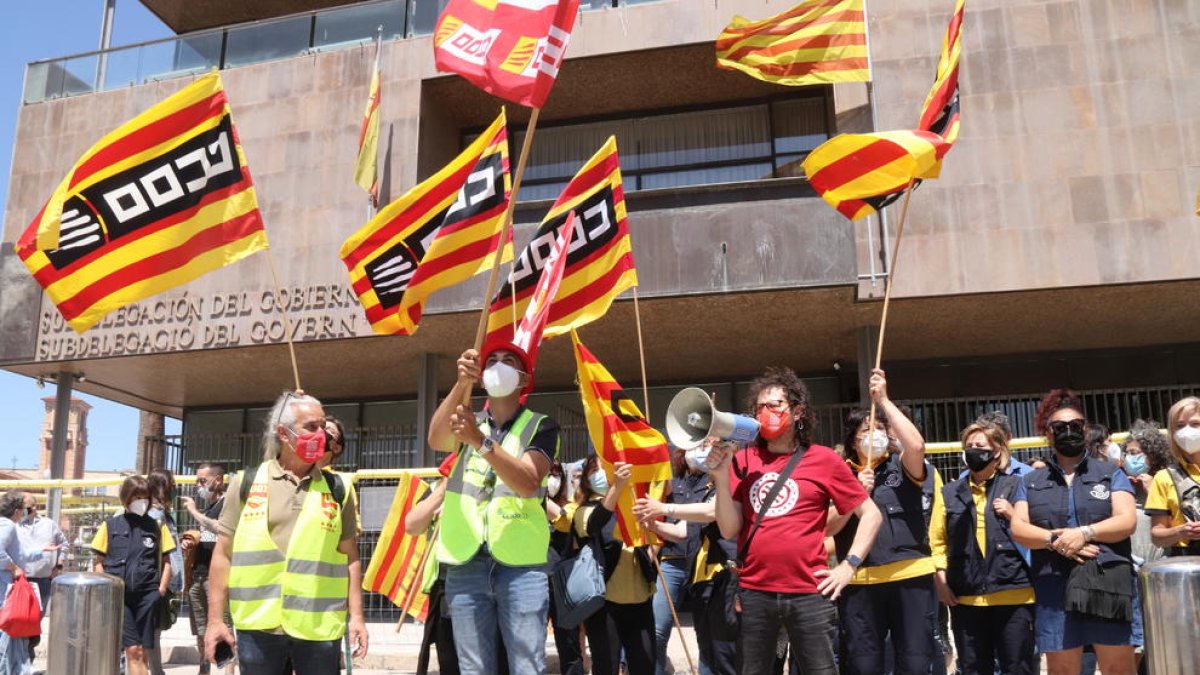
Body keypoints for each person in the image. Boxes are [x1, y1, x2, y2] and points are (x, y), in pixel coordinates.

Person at [709, 366, 882, 675]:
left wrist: (848, 566)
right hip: (755, 593)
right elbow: (728, 528)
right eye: (759, 407)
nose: (765, 413)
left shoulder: (824, 459)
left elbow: (871, 514)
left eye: (774, 405)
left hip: (810, 593)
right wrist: (721, 478)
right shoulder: (742, 460)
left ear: (798, 411)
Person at [204, 392, 368, 675]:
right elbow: (223, 555)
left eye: (324, 427)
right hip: (258, 628)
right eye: (312, 427)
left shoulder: (339, 488)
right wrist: (216, 621)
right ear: (284, 433)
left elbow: (351, 558)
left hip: (319, 630)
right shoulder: (246, 483)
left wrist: (357, 617)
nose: (322, 435)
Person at [427, 342, 560, 675]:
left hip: (521, 566)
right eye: (492, 362)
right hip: (466, 561)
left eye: (508, 361)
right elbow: (435, 439)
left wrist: (480, 442)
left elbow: (529, 482)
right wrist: (461, 384)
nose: (498, 365)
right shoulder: (467, 421)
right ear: (482, 378)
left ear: (524, 378)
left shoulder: (542, 426)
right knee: (473, 668)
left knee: (527, 666)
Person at [1009, 389, 1140, 675]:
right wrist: (1056, 540)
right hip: (1055, 585)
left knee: (1119, 669)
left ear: (1084, 429)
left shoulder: (1110, 473)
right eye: (1060, 427)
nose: (1068, 431)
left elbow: (1127, 520)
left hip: (1109, 584)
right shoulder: (1029, 481)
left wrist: (1084, 532)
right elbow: (1018, 527)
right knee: (1062, 671)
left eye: (1075, 426)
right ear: (1048, 434)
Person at [827, 369, 941, 675]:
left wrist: (885, 400)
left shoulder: (902, 465)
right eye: (866, 429)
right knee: (863, 666)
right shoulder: (838, 476)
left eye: (880, 428)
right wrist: (853, 497)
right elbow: (826, 528)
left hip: (910, 576)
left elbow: (916, 446)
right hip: (860, 582)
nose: (875, 433)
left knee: (916, 663)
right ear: (852, 441)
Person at [930, 423, 1036, 675]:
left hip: (1015, 594)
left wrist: (1013, 516)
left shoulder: (1019, 486)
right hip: (967, 598)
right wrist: (940, 579)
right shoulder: (948, 492)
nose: (973, 451)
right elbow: (936, 540)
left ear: (997, 451)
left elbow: (1037, 532)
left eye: (980, 446)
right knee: (973, 669)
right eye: (969, 447)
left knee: (1018, 667)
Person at [634, 441, 735, 675]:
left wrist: (663, 509)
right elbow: (681, 531)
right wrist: (653, 523)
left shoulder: (722, 484)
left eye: (711, 445)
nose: (704, 451)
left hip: (718, 572)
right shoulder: (684, 483)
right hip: (687, 568)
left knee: (717, 644)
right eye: (701, 444)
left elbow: (710, 513)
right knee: (678, 635)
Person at [574, 459, 656, 675]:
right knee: (606, 667)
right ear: (586, 479)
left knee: (645, 665)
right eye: (594, 470)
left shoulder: (631, 504)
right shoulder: (584, 510)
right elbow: (594, 525)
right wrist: (617, 487)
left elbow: (651, 537)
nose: (600, 474)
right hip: (605, 604)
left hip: (640, 599)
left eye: (605, 468)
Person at [92, 476, 176, 675]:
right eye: (137, 496)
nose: (142, 501)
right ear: (126, 498)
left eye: (145, 497)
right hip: (121, 598)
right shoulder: (110, 525)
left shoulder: (156, 526)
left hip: (148, 596)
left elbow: (167, 563)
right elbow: (98, 563)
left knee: (143, 652)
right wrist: (108, 591)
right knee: (133, 650)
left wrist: (161, 590)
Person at [181, 463, 231, 675]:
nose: (199, 486)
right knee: (200, 630)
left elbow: (219, 529)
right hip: (199, 575)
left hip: (217, 578)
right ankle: (204, 670)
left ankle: (229, 670)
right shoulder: (208, 508)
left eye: (203, 481)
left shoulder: (227, 503)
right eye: (197, 481)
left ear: (217, 480)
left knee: (225, 628)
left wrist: (193, 511)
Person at [1, 492, 54, 675]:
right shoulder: (7, 526)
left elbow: (20, 553)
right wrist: (14, 568)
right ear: (16, 511)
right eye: (24, 510)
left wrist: (41, 550)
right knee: (9, 636)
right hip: (5, 591)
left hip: (5, 590)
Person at [1147, 396, 1200, 556]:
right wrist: (1182, 531)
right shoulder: (1164, 477)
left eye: (1195, 424)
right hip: (1186, 561)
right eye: (1180, 426)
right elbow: (1157, 536)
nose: (1187, 431)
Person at [545, 461, 584, 675]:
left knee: (569, 643)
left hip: (563, 580)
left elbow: (566, 518)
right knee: (527, 643)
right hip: (532, 579)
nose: (552, 479)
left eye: (556, 474)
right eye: (548, 474)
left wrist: (539, 498)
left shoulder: (571, 504)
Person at [16, 493, 66, 657]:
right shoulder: (13, 525)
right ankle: (22, 659)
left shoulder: (49, 525)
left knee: (36, 620)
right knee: (19, 621)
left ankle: (26, 656)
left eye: (25, 507)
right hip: (18, 581)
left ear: (35, 507)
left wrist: (59, 564)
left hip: (43, 581)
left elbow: (63, 544)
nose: (21, 510)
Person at [147, 468, 184, 675]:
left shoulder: (165, 517)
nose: (175, 489)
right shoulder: (156, 517)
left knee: (154, 633)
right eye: (173, 484)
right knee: (152, 634)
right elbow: (167, 556)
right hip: (159, 583)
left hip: (164, 583)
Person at [1116, 420, 1169, 566]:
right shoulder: (1118, 483)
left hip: (1160, 561)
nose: (1129, 458)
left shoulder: (1165, 480)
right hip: (1128, 562)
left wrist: (1153, 491)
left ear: (1152, 456)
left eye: (1134, 453)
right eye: (1127, 453)